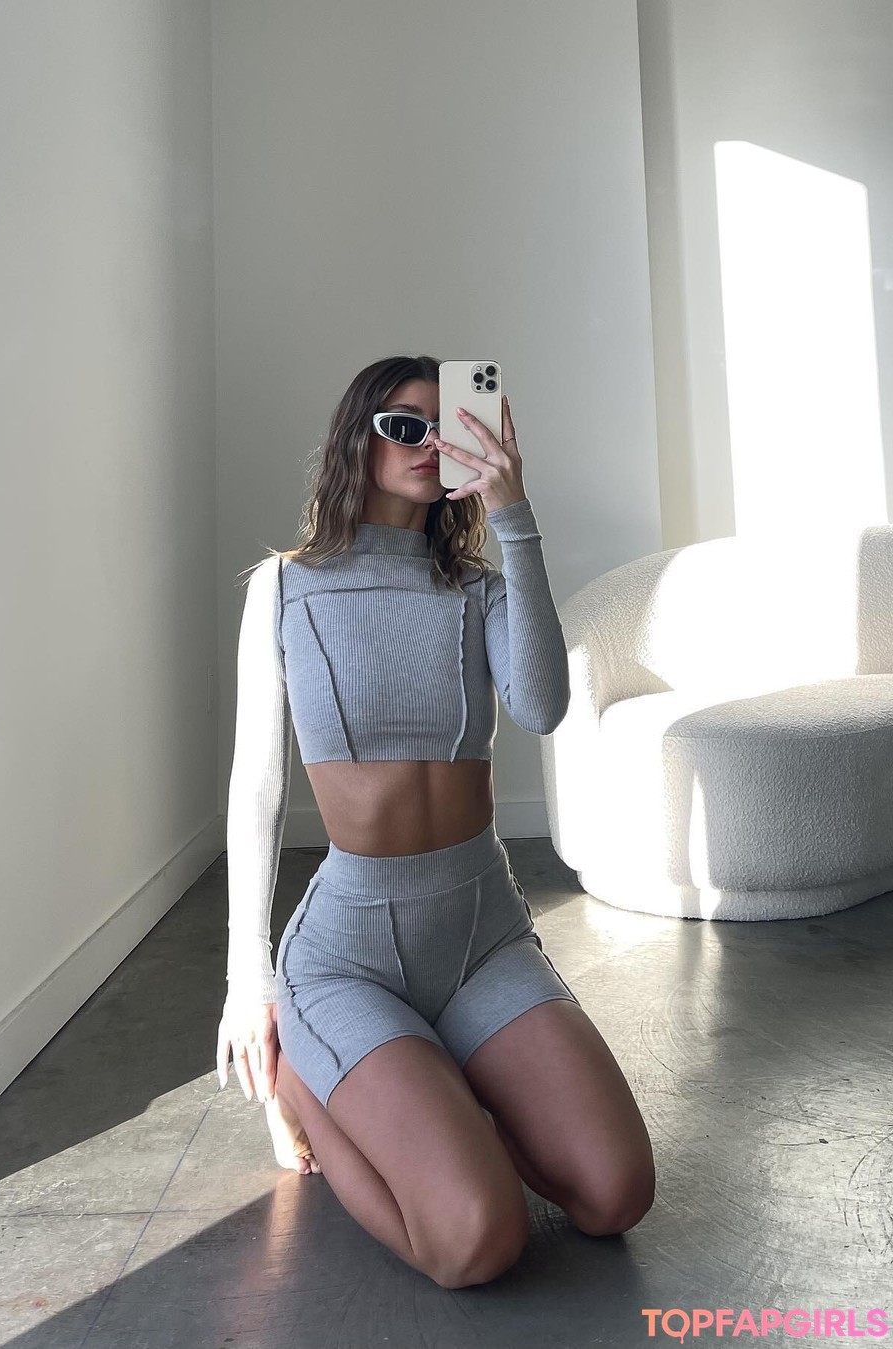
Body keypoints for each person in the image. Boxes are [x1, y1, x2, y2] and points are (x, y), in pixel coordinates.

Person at [215, 354, 655, 1289]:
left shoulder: (477, 589)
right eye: (401, 425)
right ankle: (306, 1077)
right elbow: (257, 786)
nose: (425, 443)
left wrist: (512, 512)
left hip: (482, 936)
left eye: (443, 425)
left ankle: (445, 1077)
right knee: (474, 1242)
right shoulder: (286, 587)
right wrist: (245, 977)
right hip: (349, 957)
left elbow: (542, 705)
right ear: (356, 439)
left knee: (617, 1194)